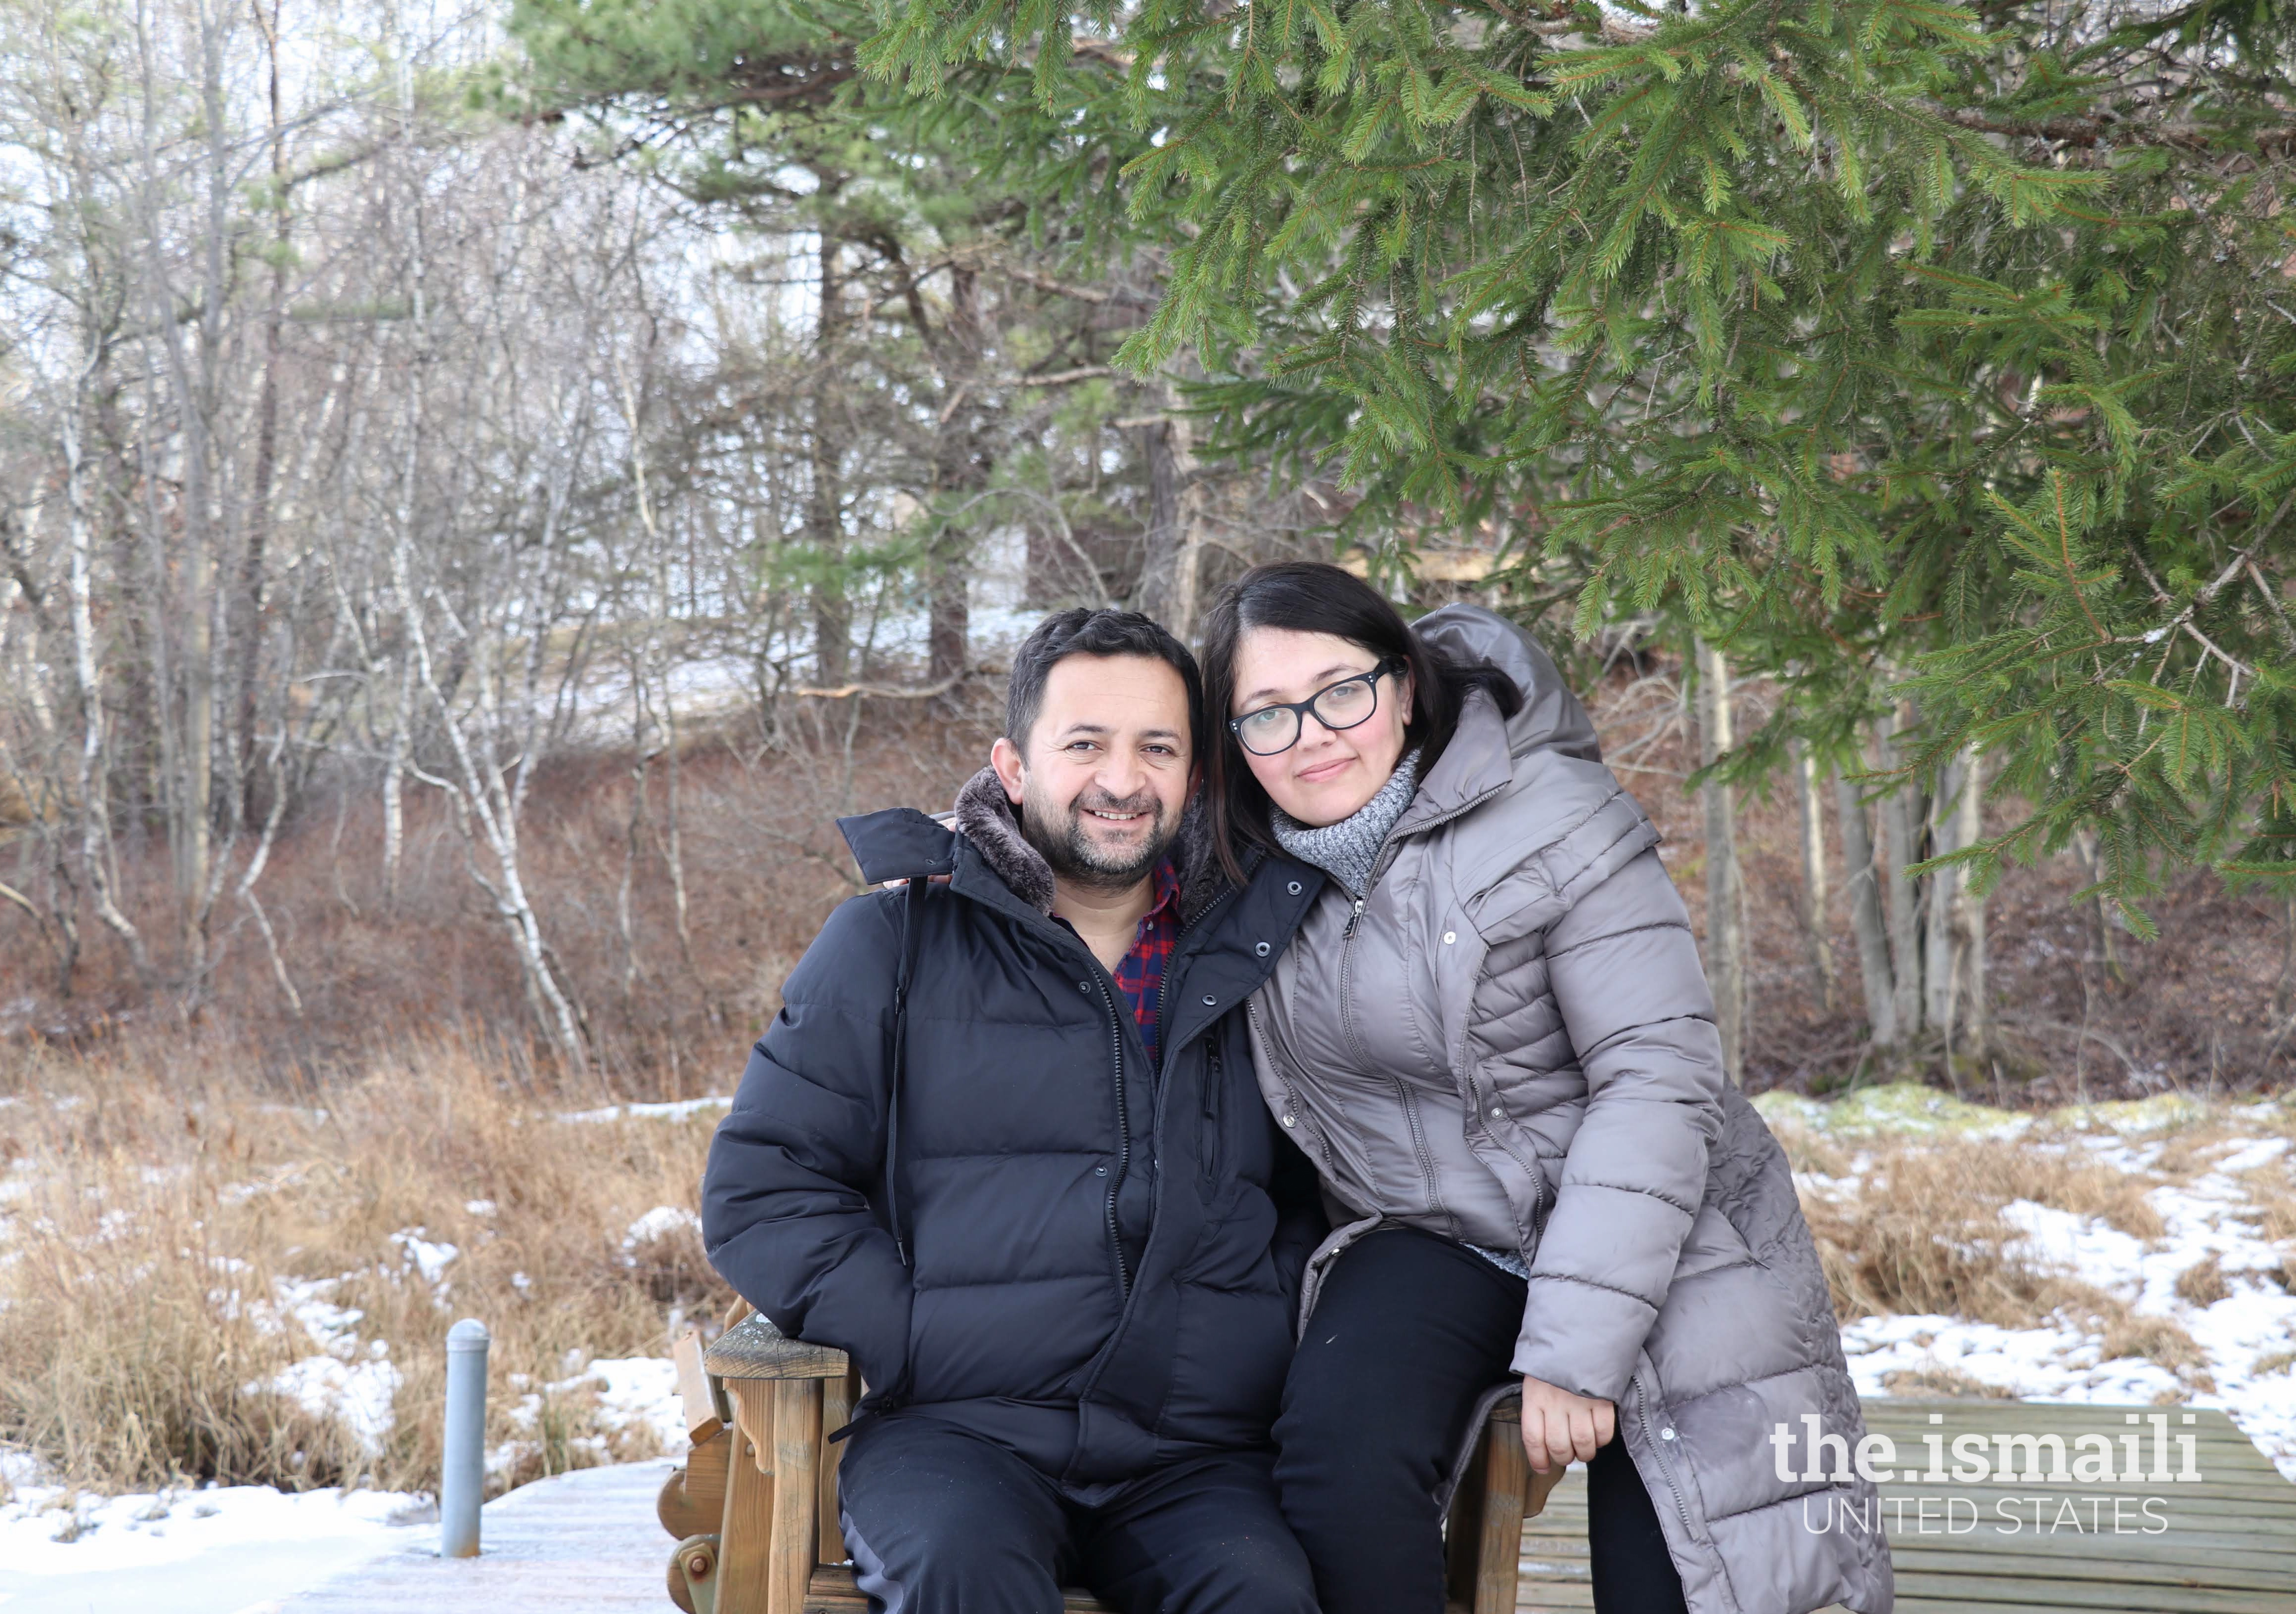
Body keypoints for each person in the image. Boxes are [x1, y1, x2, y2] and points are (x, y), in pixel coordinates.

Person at [1197, 562, 1895, 1614]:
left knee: (1702, 1558)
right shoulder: (1243, 868)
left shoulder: (1551, 813)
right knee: (1333, 1464)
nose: (1313, 735)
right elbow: (1088, 826)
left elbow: (1658, 1078)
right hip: (1436, 1232)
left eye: (1342, 689)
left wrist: (1572, 1352)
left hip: (1659, 1218)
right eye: (1268, 714)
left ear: (1404, 679)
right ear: (1233, 739)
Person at [701, 609, 1329, 1614]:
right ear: (1013, 765)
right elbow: (764, 1186)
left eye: (1156, 748)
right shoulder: (892, 943)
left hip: (1195, 1450)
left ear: (1198, 772)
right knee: (962, 1575)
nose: (1121, 782)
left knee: (1262, 1593)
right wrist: (913, 1335)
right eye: (1084, 744)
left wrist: (1254, 1320)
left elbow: (1329, 1184)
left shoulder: (1259, 951)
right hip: (958, 1436)